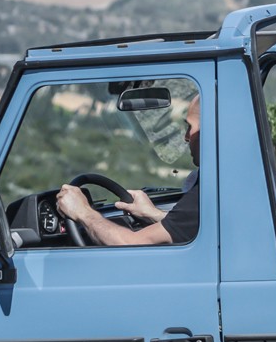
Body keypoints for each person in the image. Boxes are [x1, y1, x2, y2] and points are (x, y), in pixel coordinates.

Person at [56, 95, 200, 246]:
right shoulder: (215, 188)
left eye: (190, 127)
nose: (186, 137)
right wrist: (151, 213)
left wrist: (83, 212)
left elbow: (131, 243)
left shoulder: (209, 193)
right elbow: (185, 226)